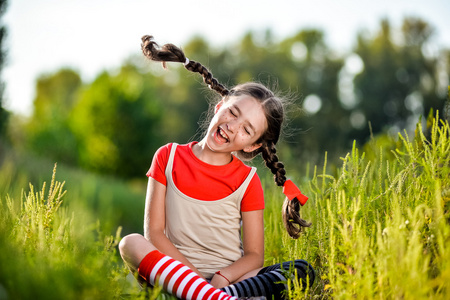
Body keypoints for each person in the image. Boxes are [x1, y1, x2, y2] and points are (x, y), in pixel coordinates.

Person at [119, 35, 315, 300]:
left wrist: (222, 279)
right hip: (176, 278)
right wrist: (196, 284)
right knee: (130, 243)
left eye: (247, 130)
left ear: (252, 146)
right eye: (233, 113)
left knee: (301, 270)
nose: (233, 126)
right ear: (220, 106)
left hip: (229, 284)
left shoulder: (248, 181)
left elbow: (255, 256)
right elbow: (154, 234)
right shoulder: (168, 156)